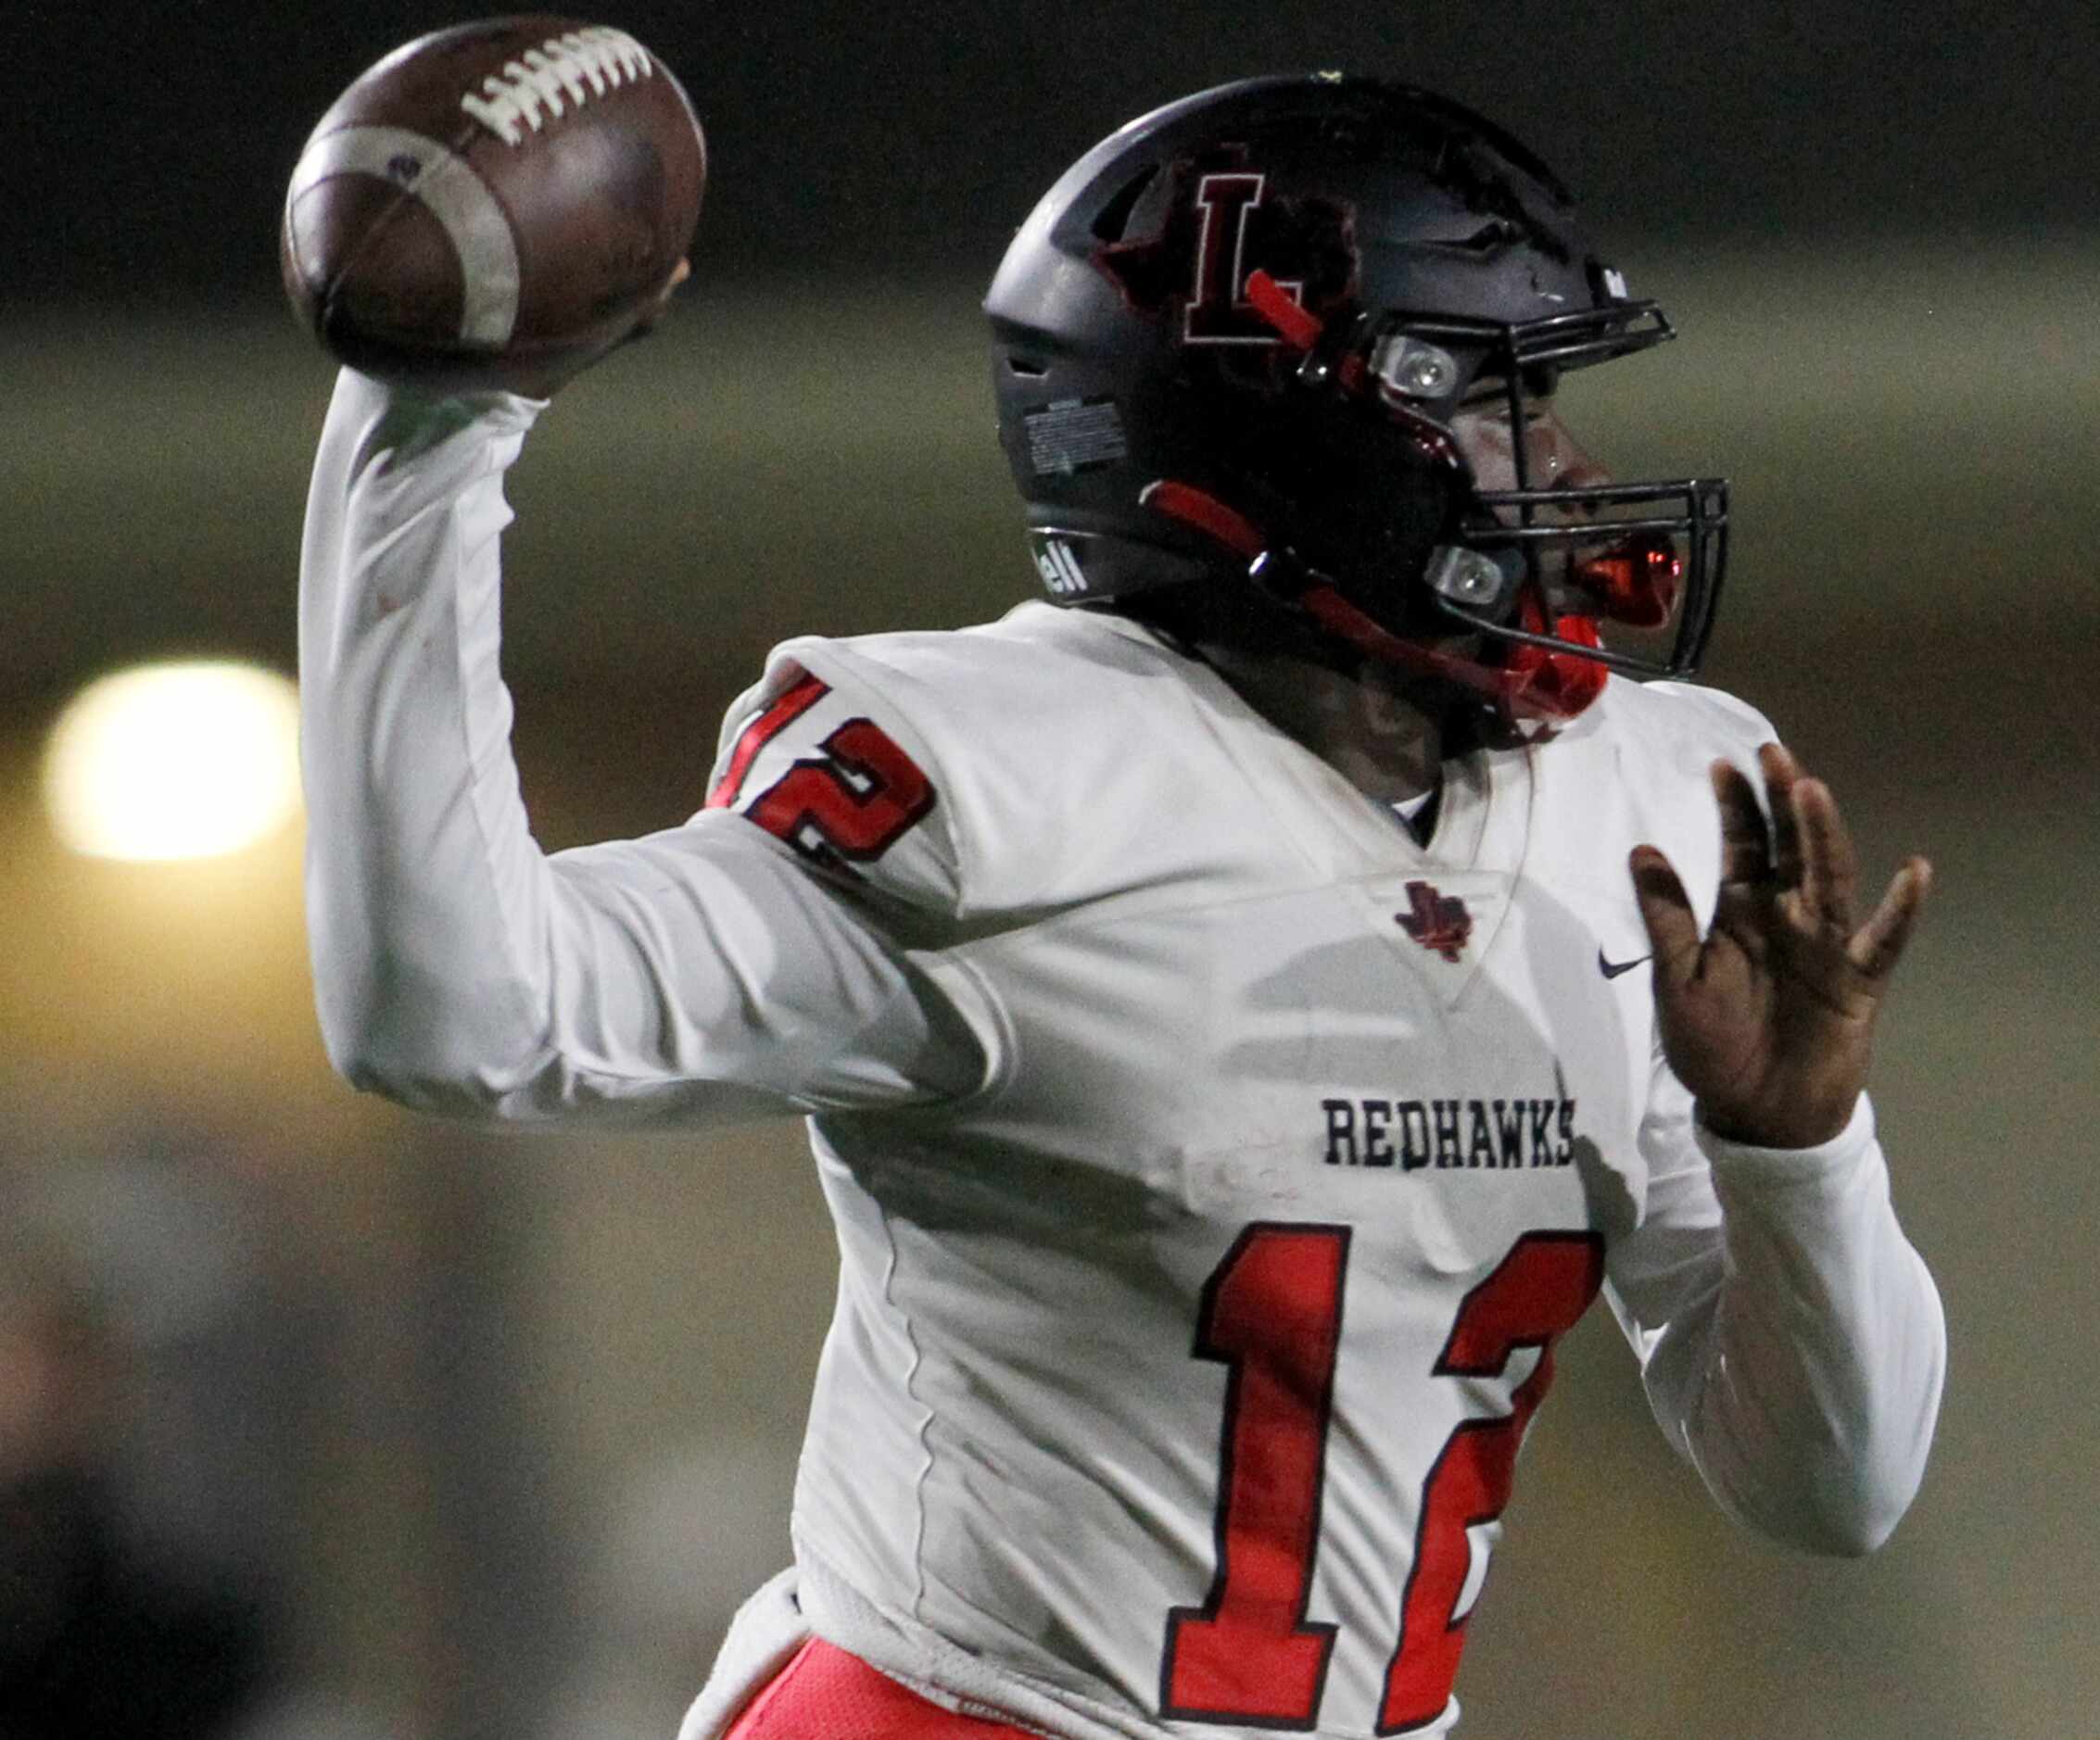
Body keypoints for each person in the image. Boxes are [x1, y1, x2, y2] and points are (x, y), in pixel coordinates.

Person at [297, 75, 1945, 1740]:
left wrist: (1794, 1146)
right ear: (1306, 437)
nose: (1567, 464)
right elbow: (460, 1014)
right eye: (1495, 399)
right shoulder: (999, 786)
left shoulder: (1648, 809)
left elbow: (1832, 1486)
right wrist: (431, 433)